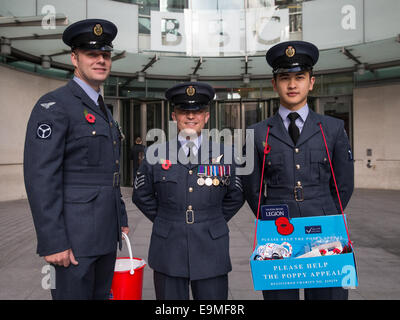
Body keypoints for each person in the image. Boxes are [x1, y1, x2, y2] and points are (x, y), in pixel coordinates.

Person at [23, 19, 129, 300]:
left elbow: (110, 172)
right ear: (74, 58)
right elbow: (41, 177)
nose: (100, 60)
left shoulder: (102, 110)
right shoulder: (55, 106)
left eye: (105, 55)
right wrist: (53, 241)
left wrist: (120, 218)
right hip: (72, 242)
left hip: (105, 237)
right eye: (92, 54)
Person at [243, 41, 354, 300]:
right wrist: (269, 219)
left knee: (328, 296)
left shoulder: (333, 128)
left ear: (311, 82)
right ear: (274, 84)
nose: (292, 85)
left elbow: (344, 184)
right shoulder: (257, 133)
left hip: (326, 231)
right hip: (278, 232)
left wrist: (328, 216)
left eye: (300, 78)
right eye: (285, 78)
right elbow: (252, 187)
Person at [132, 82, 244, 300]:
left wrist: (212, 219)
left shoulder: (226, 153)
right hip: (168, 247)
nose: (191, 116)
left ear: (207, 116)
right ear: (174, 116)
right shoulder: (155, 152)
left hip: (211, 245)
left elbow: (236, 195)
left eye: (198, 111)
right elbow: (141, 195)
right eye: (184, 111)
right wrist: (167, 218)